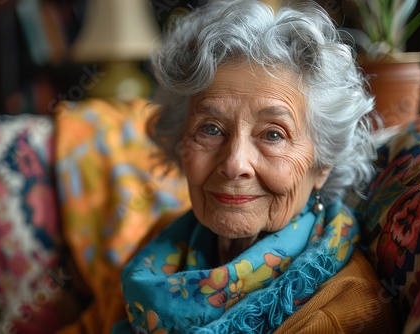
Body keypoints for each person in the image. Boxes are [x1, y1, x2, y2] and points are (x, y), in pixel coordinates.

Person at [103, 0, 400, 333]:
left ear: (322, 165)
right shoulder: (165, 239)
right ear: (180, 142)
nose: (234, 164)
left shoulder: (337, 313)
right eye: (210, 128)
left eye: (273, 134)